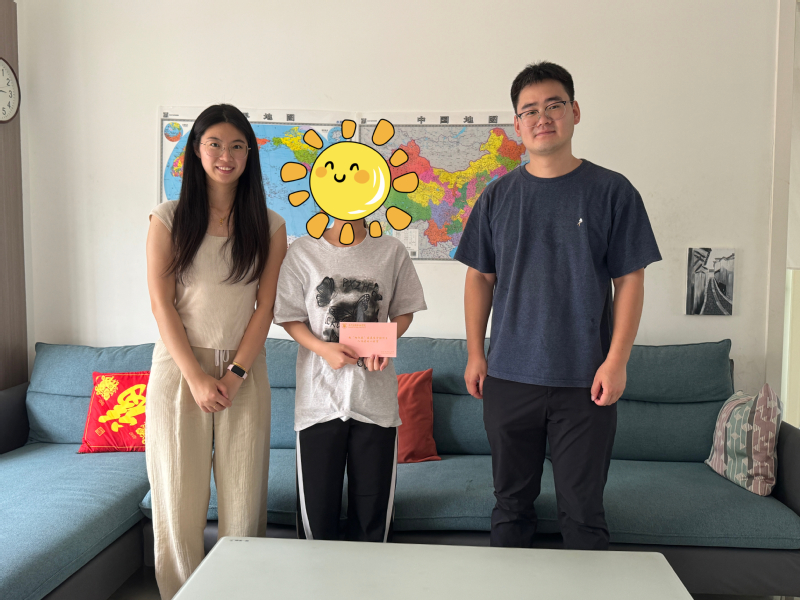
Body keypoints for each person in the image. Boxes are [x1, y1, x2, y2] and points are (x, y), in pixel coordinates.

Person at [454, 62, 661, 550]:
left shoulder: (613, 191)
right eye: (529, 110)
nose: (542, 117)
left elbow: (630, 280)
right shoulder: (497, 196)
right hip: (508, 377)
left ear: (575, 112)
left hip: (586, 381)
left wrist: (616, 361)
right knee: (510, 508)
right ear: (516, 125)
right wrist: (476, 353)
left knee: (584, 513)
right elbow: (479, 278)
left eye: (554, 105)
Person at [146, 104, 287, 598]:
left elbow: (265, 307)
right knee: (177, 500)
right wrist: (196, 377)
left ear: (249, 155)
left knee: (244, 504)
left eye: (237, 146)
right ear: (196, 150)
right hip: (178, 369)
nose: (226, 155)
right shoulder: (167, 218)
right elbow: (162, 305)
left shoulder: (270, 225)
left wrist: (235, 374)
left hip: (244, 372)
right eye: (215, 144)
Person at [273, 217, 426, 542]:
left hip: (375, 404)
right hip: (318, 405)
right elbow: (289, 316)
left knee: (373, 526)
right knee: (317, 526)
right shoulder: (303, 251)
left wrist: (384, 341)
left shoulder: (391, 250)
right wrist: (323, 349)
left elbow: (405, 311)